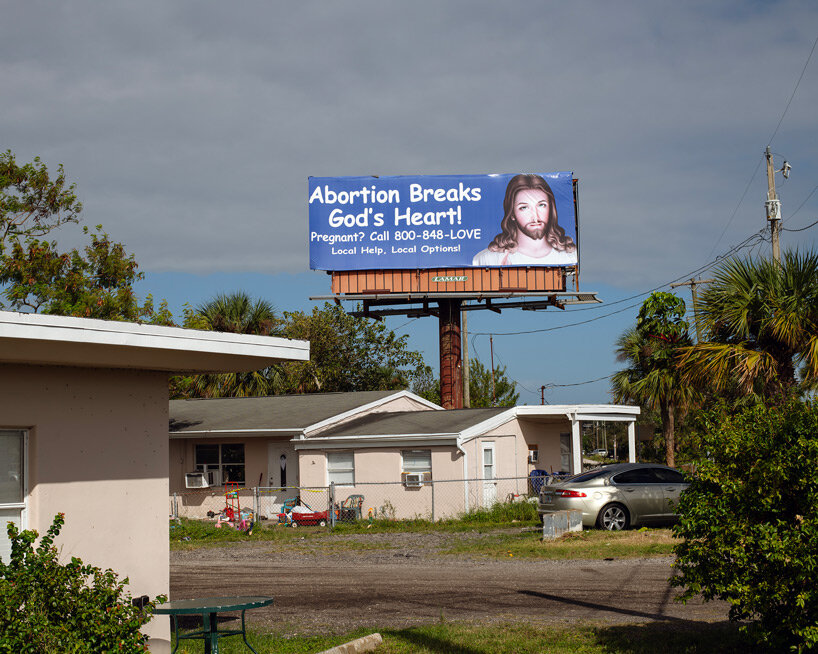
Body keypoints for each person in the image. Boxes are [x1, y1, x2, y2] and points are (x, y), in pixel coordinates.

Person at [472, 174, 577, 266]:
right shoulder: (487, 260)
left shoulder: (570, 256)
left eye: (541, 205)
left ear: (551, 209)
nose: (535, 216)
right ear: (512, 213)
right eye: (524, 207)